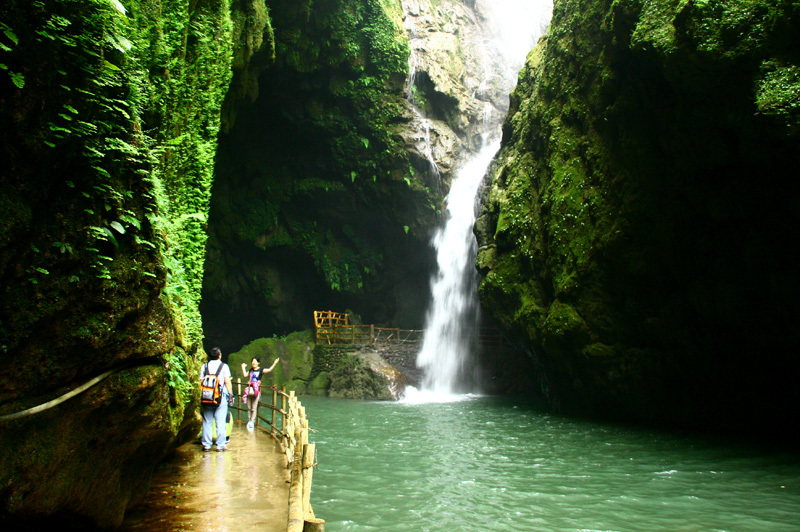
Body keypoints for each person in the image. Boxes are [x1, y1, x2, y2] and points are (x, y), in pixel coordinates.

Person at [200, 347, 233, 452]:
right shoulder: (224, 366)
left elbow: (201, 381)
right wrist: (231, 394)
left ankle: (206, 445)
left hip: (206, 397)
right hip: (220, 397)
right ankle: (220, 445)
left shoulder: (204, 366)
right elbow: (227, 382)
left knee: (207, 421)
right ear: (219, 356)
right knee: (221, 422)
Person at [241, 356, 279, 429]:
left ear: (258, 363)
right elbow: (245, 375)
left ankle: (252, 421)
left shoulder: (261, 370)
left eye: (255, 361)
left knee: (254, 407)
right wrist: (243, 367)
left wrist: (274, 363)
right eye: (253, 361)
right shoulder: (251, 370)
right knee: (249, 407)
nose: (254, 362)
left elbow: (269, 370)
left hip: (256, 390)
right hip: (249, 390)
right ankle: (249, 420)